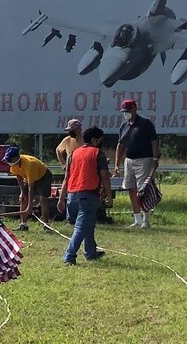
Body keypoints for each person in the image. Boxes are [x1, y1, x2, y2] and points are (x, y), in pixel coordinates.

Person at [62, 127, 111, 265]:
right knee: (80, 228)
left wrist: (61, 198)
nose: (101, 142)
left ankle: (91, 252)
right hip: (88, 195)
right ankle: (69, 256)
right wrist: (109, 196)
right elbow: (105, 176)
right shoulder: (97, 153)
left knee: (88, 224)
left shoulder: (73, 153)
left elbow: (67, 177)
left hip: (72, 195)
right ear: (95, 139)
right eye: (100, 140)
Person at [114, 97, 160, 229]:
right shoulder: (124, 126)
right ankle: (137, 219)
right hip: (129, 160)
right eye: (124, 111)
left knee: (143, 189)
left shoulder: (145, 123)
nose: (126, 113)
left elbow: (154, 142)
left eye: (127, 110)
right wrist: (117, 164)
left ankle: (146, 219)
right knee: (131, 188)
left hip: (144, 159)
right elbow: (120, 145)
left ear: (134, 109)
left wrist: (154, 159)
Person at [2, 143, 50, 229]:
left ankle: (46, 225)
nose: (8, 162)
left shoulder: (30, 164)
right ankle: (23, 224)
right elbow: (19, 176)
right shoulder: (13, 165)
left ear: (16, 158)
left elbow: (31, 187)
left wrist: (30, 205)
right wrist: (22, 192)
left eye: (9, 160)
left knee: (43, 199)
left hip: (43, 176)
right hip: (28, 179)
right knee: (23, 199)